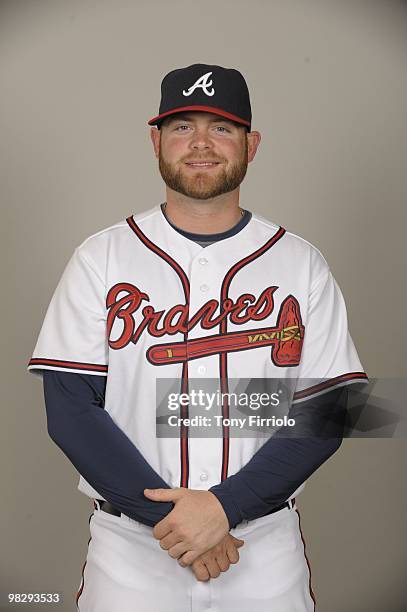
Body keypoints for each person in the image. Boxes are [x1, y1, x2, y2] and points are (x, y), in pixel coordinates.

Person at [27, 63, 369, 612]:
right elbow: (69, 409)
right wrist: (175, 520)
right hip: (132, 549)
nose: (201, 143)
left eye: (223, 128)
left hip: (260, 548)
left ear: (251, 145)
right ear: (156, 140)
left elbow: (335, 409)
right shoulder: (102, 257)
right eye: (183, 126)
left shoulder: (302, 262)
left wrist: (225, 508)